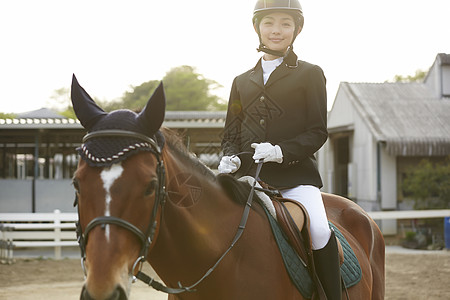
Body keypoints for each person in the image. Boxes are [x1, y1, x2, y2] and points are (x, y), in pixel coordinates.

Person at [219, 1, 341, 299]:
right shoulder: (240, 81)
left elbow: (317, 132)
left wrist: (281, 151)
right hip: (246, 177)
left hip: (295, 178)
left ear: (297, 29)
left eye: (286, 23)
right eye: (269, 22)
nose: (277, 30)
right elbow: (231, 131)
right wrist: (229, 155)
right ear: (257, 27)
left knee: (320, 232)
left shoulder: (310, 74)